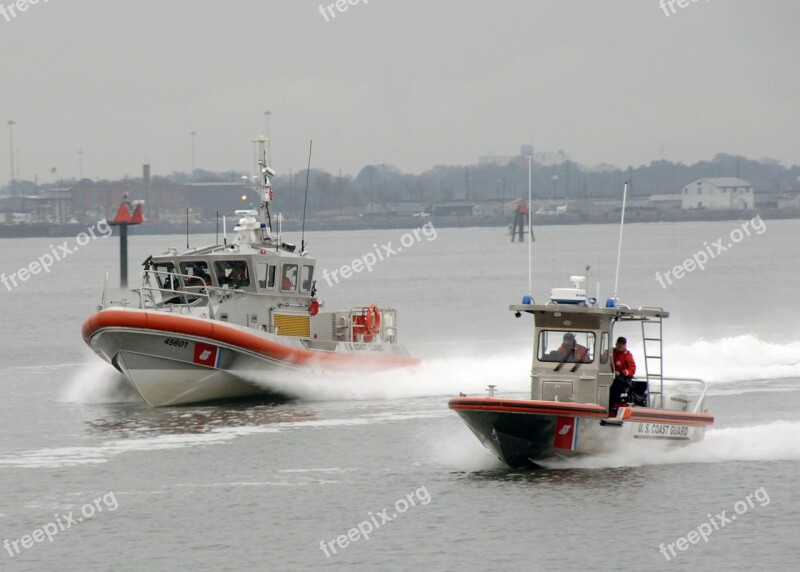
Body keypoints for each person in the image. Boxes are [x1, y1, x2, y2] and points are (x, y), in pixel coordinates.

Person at [609, 336, 637, 414]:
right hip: (608, 374)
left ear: (625, 345)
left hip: (622, 378)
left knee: (616, 383)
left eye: (622, 344)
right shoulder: (610, 352)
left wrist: (621, 372)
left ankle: (612, 404)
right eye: (619, 343)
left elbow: (632, 369)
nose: (620, 345)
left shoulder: (627, 355)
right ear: (616, 344)